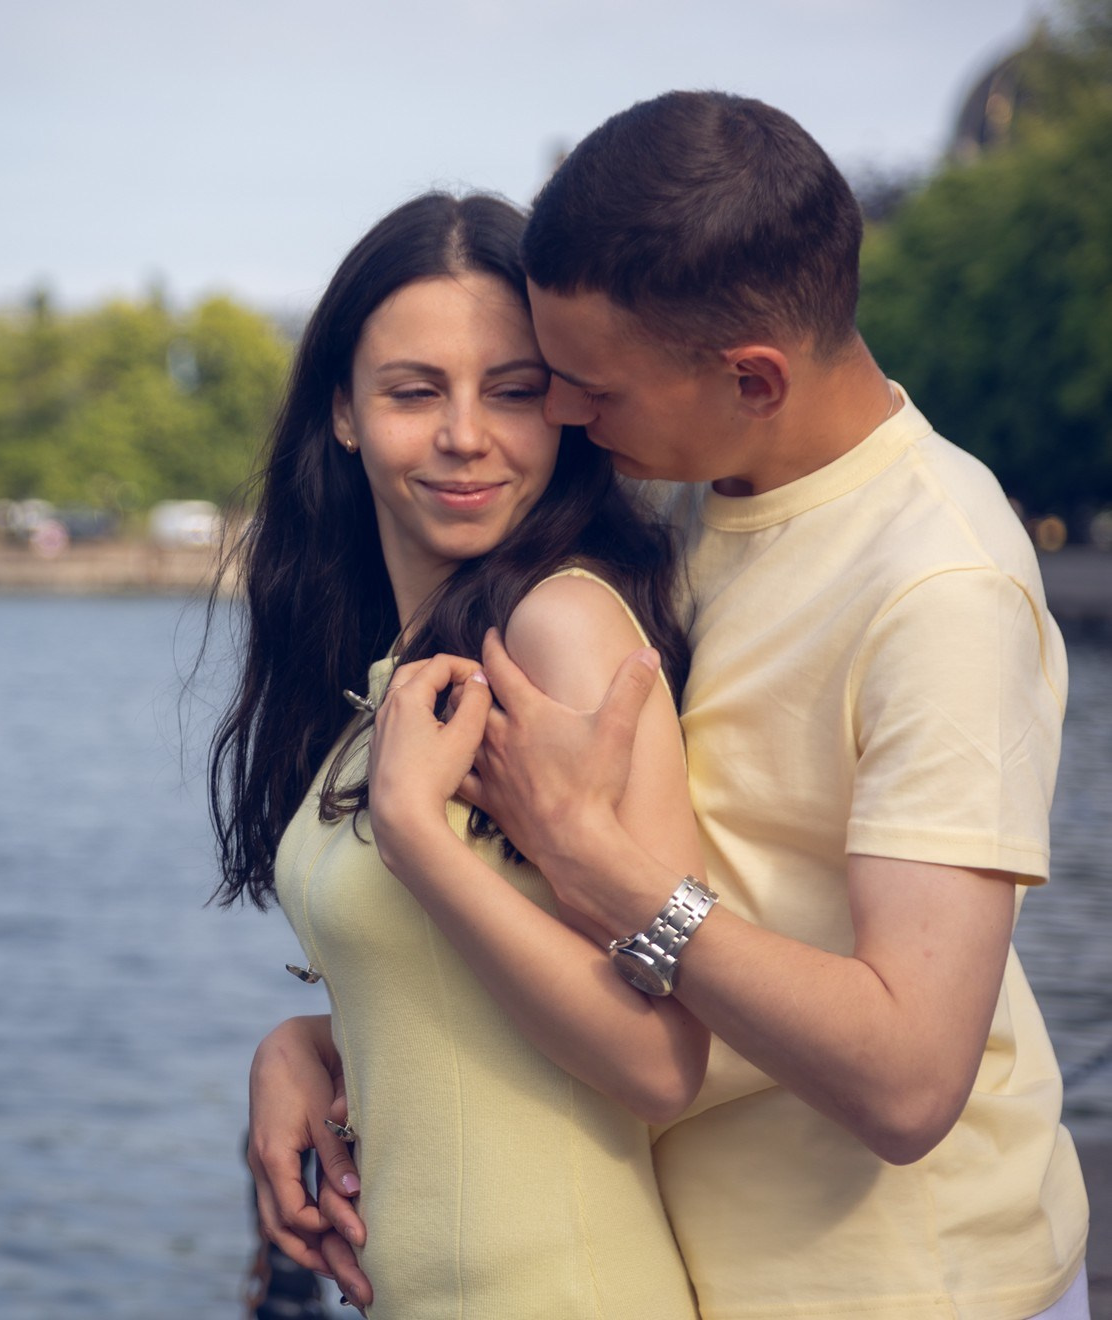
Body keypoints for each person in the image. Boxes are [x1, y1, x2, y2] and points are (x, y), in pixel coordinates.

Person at [249, 92, 1089, 1320]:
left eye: (581, 387)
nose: (567, 425)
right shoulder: (703, 493)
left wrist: (593, 857)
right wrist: (314, 1040)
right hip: (693, 1260)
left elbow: (911, 1083)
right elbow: (556, 957)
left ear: (753, 377)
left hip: (904, 1284)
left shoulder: (939, 586)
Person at [211, 190, 713, 1317]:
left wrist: (416, 846)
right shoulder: (393, 675)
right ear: (342, 413)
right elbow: (465, 1004)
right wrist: (308, 1042)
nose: (465, 434)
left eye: (514, 391)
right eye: (414, 391)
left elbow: (665, 1060)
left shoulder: (561, 632)